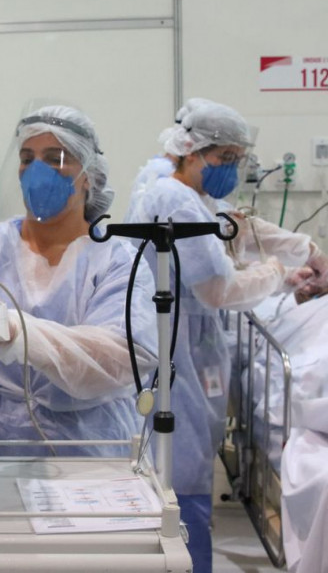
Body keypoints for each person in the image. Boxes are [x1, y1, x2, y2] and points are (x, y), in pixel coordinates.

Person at [123, 99, 319, 573]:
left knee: (187, 460)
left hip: (194, 346)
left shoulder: (196, 197)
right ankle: (185, 561)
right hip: (176, 348)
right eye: (225, 158)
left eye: (237, 159)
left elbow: (239, 227)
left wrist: (304, 251)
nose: (231, 168)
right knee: (180, 467)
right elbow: (215, 288)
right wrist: (276, 273)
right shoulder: (171, 197)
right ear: (192, 152)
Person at [0, 104, 159, 458]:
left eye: (55, 158)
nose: (36, 171)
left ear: (89, 175)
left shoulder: (117, 261)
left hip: (87, 443)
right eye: (27, 158)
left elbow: (119, 358)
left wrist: (16, 331)